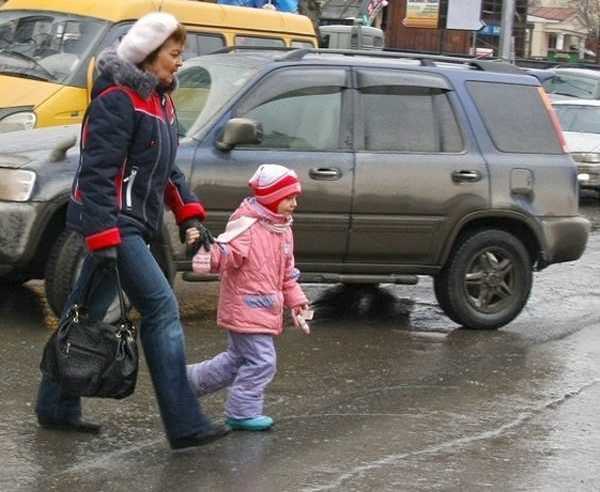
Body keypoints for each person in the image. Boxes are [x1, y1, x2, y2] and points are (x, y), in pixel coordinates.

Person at [35, 12, 229, 450]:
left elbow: (166, 169)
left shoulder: (160, 101)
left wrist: (190, 215)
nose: (181, 62)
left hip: (130, 226)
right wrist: (102, 238)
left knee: (81, 314)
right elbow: (97, 173)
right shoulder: (117, 99)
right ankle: (184, 423)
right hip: (113, 226)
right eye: (174, 54)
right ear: (147, 56)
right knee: (161, 309)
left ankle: (56, 407)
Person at [186, 164, 311, 432]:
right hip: (244, 308)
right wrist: (205, 249)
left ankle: (189, 382)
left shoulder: (283, 230)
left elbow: (287, 274)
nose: (294, 203)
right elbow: (225, 255)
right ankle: (242, 412)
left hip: (264, 308)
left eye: (295, 198)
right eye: (288, 198)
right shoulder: (248, 226)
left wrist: (297, 301)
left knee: (237, 361)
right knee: (263, 361)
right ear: (271, 198)